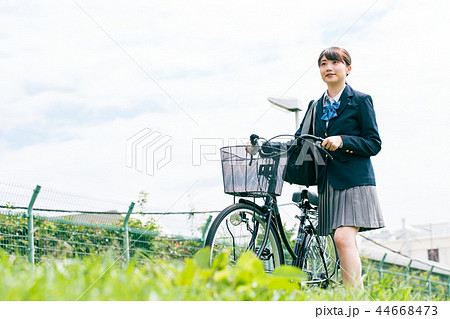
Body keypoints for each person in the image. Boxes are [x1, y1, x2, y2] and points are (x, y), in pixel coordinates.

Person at [297, 47, 385, 288]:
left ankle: (352, 300)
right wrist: (265, 148)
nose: (328, 68)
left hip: (355, 181)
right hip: (328, 183)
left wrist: (342, 140)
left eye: (335, 62)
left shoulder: (361, 100)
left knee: (343, 237)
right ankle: (352, 293)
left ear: (348, 68)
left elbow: (373, 143)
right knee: (343, 243)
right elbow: (300, 141)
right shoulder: (315, 105)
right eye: (323, 63)